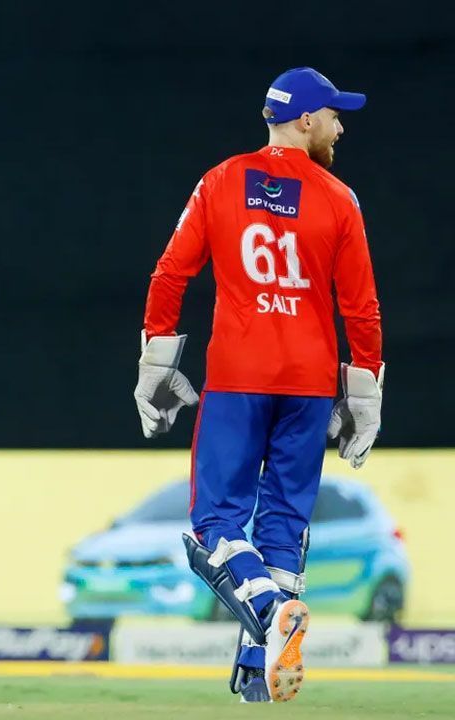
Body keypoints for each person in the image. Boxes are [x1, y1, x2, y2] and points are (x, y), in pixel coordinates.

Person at [134, 67, 383, 703]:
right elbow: (362, 310)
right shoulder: (339, 198)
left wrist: (157, 364)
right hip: (308, 382)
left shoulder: (220, 182)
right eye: (332, 114)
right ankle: (255, 678)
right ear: (305, 120)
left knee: (213, 523)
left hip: (239, 376)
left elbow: (168, 276)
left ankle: (269, 610)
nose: (339, 124)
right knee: (282, 527)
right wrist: (364, 394)